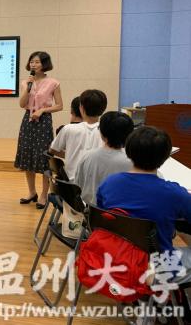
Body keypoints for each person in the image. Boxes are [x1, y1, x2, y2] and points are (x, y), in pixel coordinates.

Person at [97, 126, 191, 285]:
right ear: (165, 157)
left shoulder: (109, 183)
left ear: (129, 151)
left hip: (117, 256)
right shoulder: (175, 194)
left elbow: (102, 213)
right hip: (156, 267)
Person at [15, 51, 63, 209]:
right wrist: (27, 89)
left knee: (43, 158)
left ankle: (43, 195)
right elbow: (22, 104)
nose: (33, 64)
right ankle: (31, 192)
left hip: (44, 121)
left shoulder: (53, 83)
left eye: (37, 62)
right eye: (32, 62)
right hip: (28, 120)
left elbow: (59, 105)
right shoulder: (26, 82)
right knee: (27, 155)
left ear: (45, 64)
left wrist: (42, 110)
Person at [73, 111, 134, 205]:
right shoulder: (134, 162)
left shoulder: (87, 156)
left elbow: (77, 186)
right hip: (122, 212)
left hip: (91, 211)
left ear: (101, 132)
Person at [50, 89, 107, 182]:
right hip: (98, 183)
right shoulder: (107, 130)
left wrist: (70, 155)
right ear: (103, 109)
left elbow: (52, 150)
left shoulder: (68, 129)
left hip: (71, 185)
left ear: (81, 108)